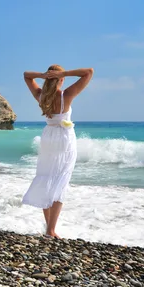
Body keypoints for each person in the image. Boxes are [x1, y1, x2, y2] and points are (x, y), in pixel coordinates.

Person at [22, 64, 94, 238]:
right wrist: (65, 73)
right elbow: (89, 72)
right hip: (64, 139)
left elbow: (26, 75)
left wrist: (43, 75)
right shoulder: (65, 95)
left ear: (48, 78)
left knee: (46, 178)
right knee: (59, 181)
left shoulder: (41, 96)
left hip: (48, 137)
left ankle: (49, 228)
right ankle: (51, 230)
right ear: (61, 79)